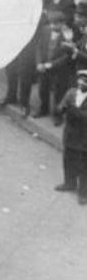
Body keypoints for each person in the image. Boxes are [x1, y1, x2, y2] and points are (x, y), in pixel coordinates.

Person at [55, 69, 87, 205]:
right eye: (80, 79)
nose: (81, 83)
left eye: (85, 81)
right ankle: (69, 183)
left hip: (84, 136)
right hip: (70, 133)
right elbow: (60, 107)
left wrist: (73, 111)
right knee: (68, 159)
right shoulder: (71, 93)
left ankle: (83, 192)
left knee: (84, 165)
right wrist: (61, 109)